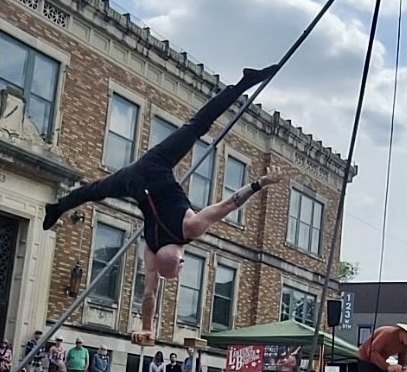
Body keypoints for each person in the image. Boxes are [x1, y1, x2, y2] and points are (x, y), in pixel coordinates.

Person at [42, 64, 282, 342]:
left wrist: (259, 184)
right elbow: (148, 294)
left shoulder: (191, 228)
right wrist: (147, 326)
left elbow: (230, 204)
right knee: (94, 190)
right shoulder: (152, 250)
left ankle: (244, 83)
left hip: (154, 167)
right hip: (132, 181)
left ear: (180, 259)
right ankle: (57, 208)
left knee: (198, 125)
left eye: (181, 266)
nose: (183, 266)